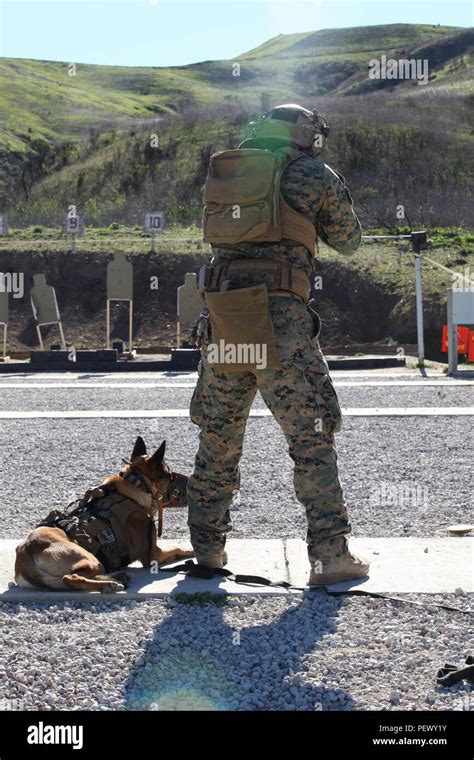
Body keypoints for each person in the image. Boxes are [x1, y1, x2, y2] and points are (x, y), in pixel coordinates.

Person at [187, 104, 369, 585]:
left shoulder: (228, 170)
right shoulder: (312, 172)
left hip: (226, 317)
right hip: (280, 320)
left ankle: (207, 549)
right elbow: (349, 240)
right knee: (311, 438)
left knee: (219, 438)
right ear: (305, 134)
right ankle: (331, 557)